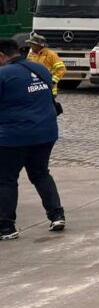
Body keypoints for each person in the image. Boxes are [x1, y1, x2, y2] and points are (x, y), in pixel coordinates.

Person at [0, 38, 63, 240]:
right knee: (40, 174)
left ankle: (6, 227)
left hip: (14, 136)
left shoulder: (3, 74)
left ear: (1, 56)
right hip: (46, 132)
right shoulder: (40, 69)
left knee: (6, 179)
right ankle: (57, 215)